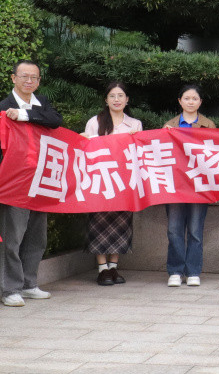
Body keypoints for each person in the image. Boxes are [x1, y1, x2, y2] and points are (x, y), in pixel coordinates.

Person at [0, 60, 63, 307]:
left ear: (39, 81)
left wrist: (24, 115)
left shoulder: (42, 103)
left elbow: (55, 120)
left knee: (37, 237)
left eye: (34, 77)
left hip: (39, 181)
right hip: (14, 181)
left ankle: (29, 284)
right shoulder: (2, 107)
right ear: (13, 78)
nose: (29, 81)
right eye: (24, 76)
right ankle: (11, 289)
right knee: (13, 236)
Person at [82, 81, 142, 286]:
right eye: (112, 96)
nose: (117, 99)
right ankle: (102, 269)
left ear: (127, 100)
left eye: (120, 95)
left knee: (121, 224)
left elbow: (138, 153)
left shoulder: (135, 124)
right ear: (106, 100)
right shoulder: (95, 122)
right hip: (100, 181)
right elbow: (86, 149)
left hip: (124, 183)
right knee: (98, 224)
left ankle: (114, 267)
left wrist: (136, 139)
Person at [161, 85, 216, 288]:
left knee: (195, 230)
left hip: (199, 185)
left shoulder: (209, 125)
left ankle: (193, 271)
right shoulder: (169, 126)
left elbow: (215, 155)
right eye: (187, 98)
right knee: (174, 229)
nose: (191, 102)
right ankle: (175, 271)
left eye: (195, 98)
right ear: (180, 101)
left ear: (200, 102)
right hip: (175, 185)